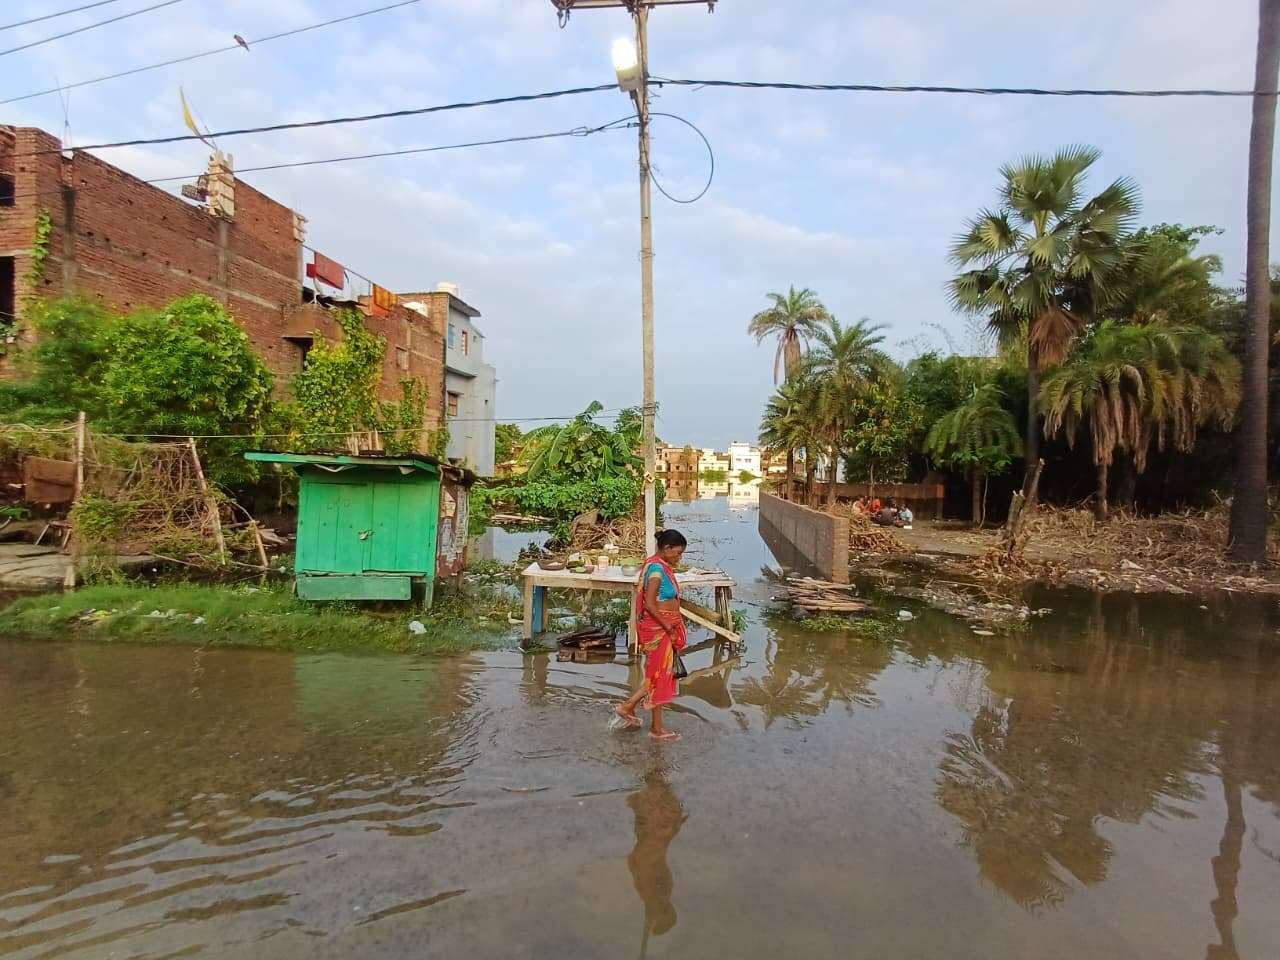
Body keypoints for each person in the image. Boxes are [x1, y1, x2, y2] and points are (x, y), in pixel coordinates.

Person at [616, 529, 688, 742]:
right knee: (658, 676)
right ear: (666, 548)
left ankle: (656, 727)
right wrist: (668, 627)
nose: (679, 557)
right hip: (659, 629)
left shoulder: (658, 565)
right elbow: (649, 603)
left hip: (662, 627)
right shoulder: (656, 569)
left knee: (660, 676)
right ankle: (628, 707)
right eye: (678, 553)